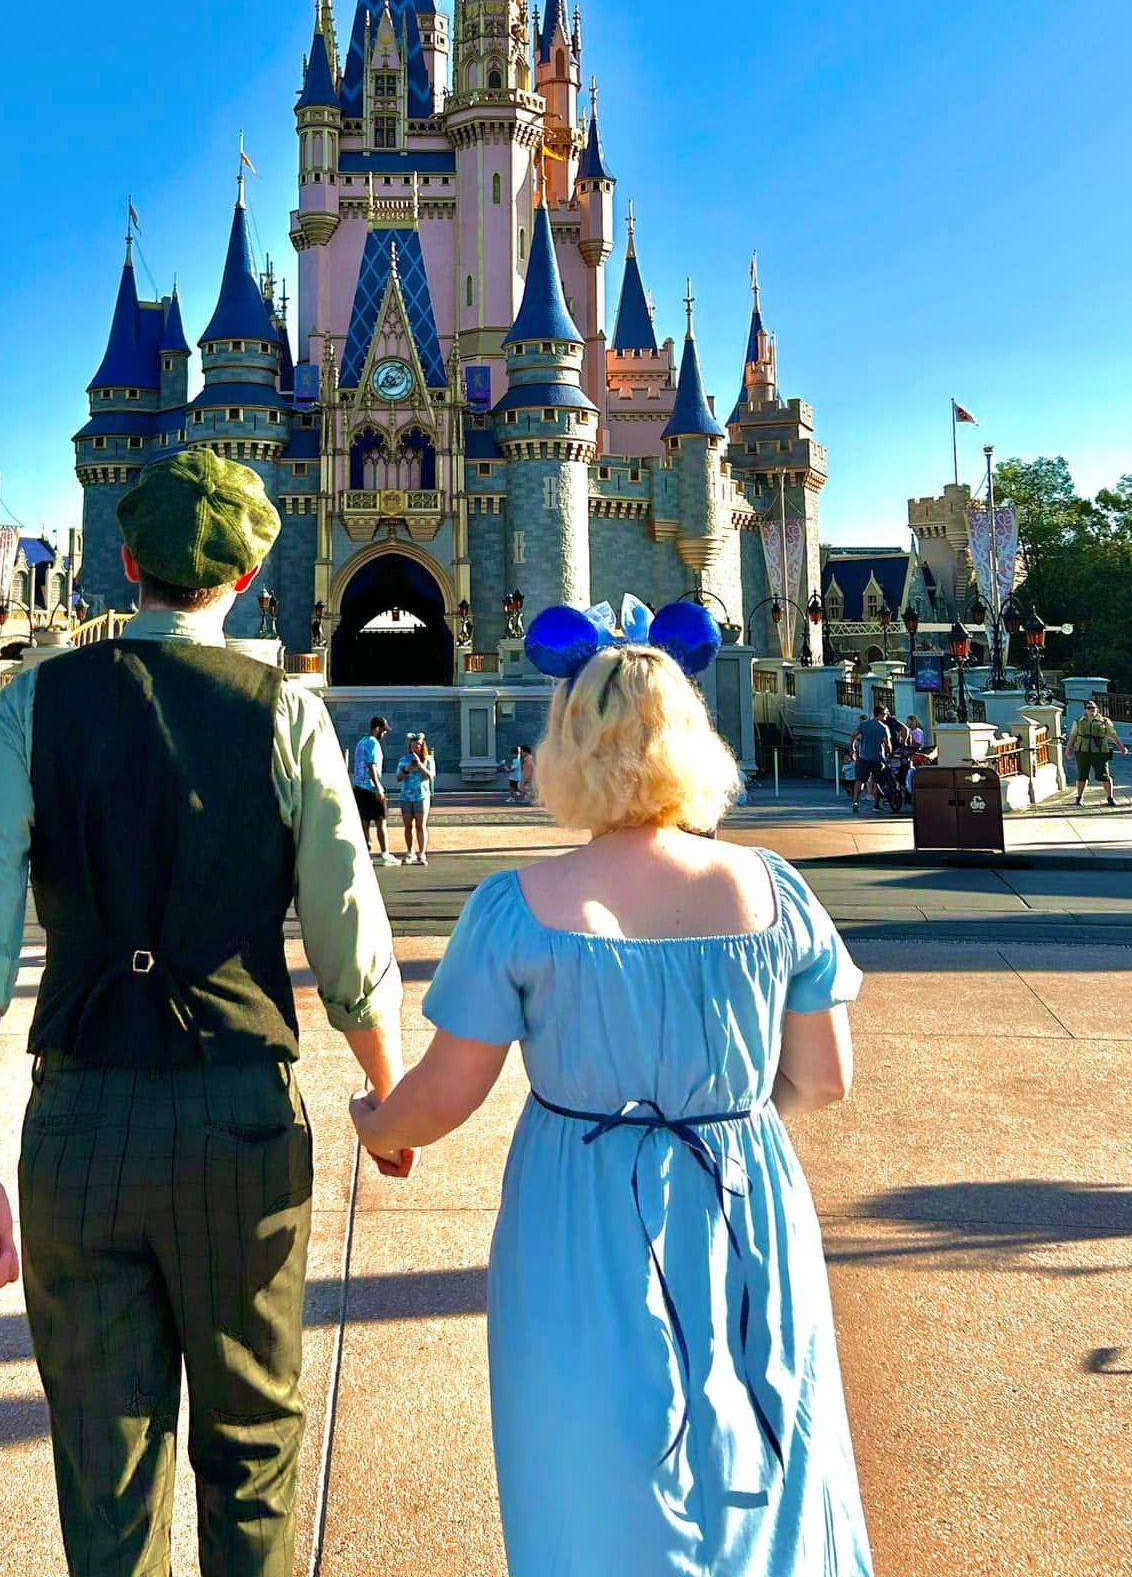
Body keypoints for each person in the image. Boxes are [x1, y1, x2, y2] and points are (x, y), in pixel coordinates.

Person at [0, 447, 409, 1577]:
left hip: (79, 1123)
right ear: (249, 572)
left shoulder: (36, 701)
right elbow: (348, 933)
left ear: (126, 560)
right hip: (237, 1121)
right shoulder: (284, 710)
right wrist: (389, 1089)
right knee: (249, 1443)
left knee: (104, 1459)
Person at [350, 640, 873, 1575]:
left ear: (567, 750)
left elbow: (444, 1098)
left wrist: (377, 1126)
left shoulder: (519, 907)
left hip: (581, 1213)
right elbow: (827, 1079)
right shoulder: (775, 890)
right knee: (764, 1451)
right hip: (746, 1201)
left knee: (589, 1463)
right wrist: (725, 1113)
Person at [349, 714, 393, 864]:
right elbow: (371, 765)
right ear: (377, 728)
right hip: (371, 787)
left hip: (359, 786)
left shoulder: (361, 742)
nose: (385, 733)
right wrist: (378, 787)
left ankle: (365, 849)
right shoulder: (373, 743)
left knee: (364, 820)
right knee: (381, 820)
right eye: (384, 730)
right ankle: (384, 853)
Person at [1070, 700, 1124, 807]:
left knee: (1104, 775)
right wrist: (1068, 749)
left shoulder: (1104, 721)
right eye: (1089, 708)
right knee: (1082, 775)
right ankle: (1079, 797)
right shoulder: (1079, 721)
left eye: (1093, 707)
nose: (1092, 710)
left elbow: (1112, 735)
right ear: (1085, 710)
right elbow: (1073, 735)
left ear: (1097, 709)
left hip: (1099, 752)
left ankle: (1110, 797)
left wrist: (1121, 747)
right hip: (1082, 751)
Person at [397, 732, 435, 865]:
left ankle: (422, 853)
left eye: (418, 745)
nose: (415, 748)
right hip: (406, 797)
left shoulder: (428, 759)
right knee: (408, 826)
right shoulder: (403, 760)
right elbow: (398, 777)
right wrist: (407, 769)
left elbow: (429, 776)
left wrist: (419, 765)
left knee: (420, 825)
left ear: (422, 746)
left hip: (421, 796)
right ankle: (410, 852)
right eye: (413, 745)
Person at [848, 706, 892, 815]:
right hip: (878, 759)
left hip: (864, 757)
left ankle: (855, 802)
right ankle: (876, 805)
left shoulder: (864, 725)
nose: (887, 715)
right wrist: (888, 753)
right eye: (886, 713)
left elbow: (853, 735)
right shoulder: (884, 728)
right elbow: (888, 746)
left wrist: (852, 748)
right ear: (880, 714)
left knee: (860, 780)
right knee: (877, 781)